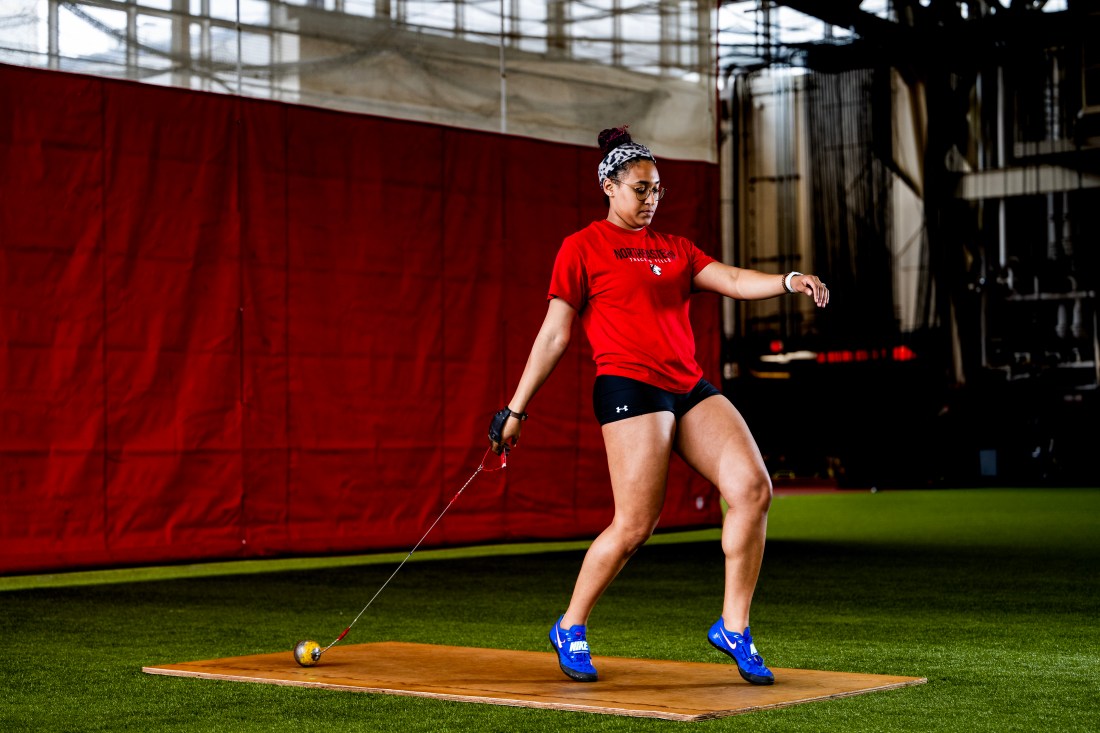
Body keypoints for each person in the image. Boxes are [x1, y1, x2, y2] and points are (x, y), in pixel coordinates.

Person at [487, 126, 829, 686]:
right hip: (629, 387)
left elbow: (735, 280)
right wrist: (516, 410)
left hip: (686, 386)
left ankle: (734, 626)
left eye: (657, 190)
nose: (650, 199)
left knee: (752, 489)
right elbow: (554, 335)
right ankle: (570, 625)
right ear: (608, 185)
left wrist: (788, 279)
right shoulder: (582, 247)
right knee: (636, 525)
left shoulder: (675, 250)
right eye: (640, 189)